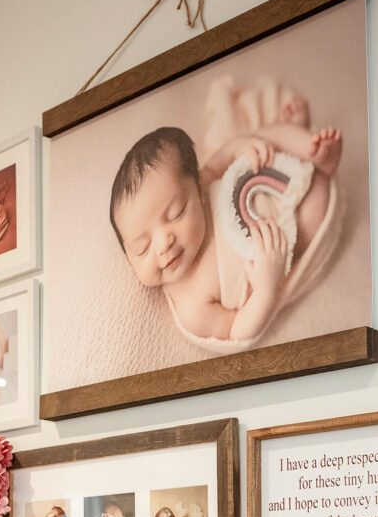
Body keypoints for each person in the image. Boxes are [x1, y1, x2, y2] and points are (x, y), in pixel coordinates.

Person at [109, 92, 341, 350]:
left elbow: (218, 162)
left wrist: (238, 148)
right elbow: (236, 330)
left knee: (261, 141)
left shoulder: (203, 184)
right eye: (142, 248)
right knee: (315, 208)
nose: (163, 243)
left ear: (196, 188)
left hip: (264, 177)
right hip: (285, 234)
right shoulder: (191, 307)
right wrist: (266, 287)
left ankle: (306, 144)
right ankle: (321, 168)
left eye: (176, 213)